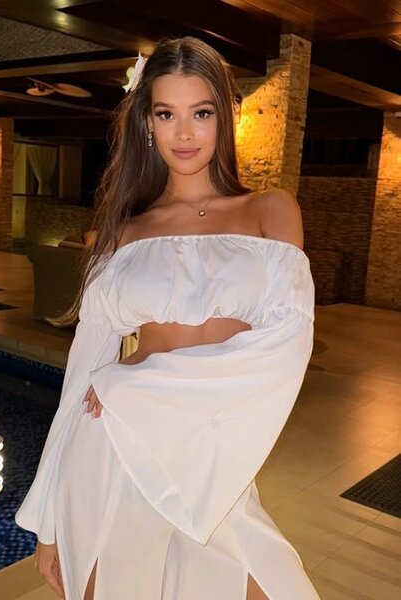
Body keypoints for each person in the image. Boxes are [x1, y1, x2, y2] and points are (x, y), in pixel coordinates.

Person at [16, 36, 321, 600]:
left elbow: (286, 343)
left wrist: (138, 381)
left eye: (200, 113)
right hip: (112, 447)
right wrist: (47, 522)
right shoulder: (124, 231)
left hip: (210, 460)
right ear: (147, 123)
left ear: (224, 117)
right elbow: (84, 371)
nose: (183, 133)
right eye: (166, 114)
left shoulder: (270, 211)